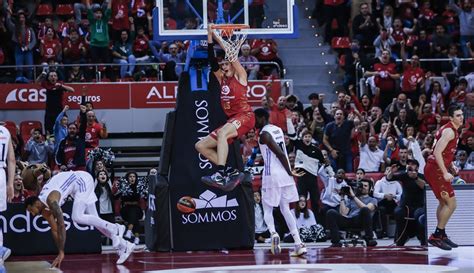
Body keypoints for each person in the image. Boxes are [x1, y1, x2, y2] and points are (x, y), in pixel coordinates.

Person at [25, 171, 134, 268]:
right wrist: (59, 251)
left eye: (31, 210)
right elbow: (54, 230)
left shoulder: (51, 200)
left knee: (76, 216)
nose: (32, 214)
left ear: (36, 203)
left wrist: (62, 252)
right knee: (96, 222)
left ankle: (115, 228)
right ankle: (125, 246)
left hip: (82, 180)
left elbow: (61, 225)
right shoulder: (44, 210)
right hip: (76, 187)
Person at [195, 24, 255, 191]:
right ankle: (230, 172)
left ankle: (220, 173)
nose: (224, 65)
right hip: (233, 119)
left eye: (227, 63)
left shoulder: (241, 76)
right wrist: (209, 37)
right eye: (223, 64)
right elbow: (211, 60)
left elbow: (230, 53)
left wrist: (216, 36)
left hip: (245, 116)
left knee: (222, 133)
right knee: (200, 146)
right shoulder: (222, 79)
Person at [254, 108, 307, 257]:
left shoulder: (264, 134)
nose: (254, 122)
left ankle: (273, 233)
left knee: (267, 208)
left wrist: (290, 171)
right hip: (285, 174)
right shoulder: (277, 129)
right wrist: (289, 171)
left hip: (272, 174)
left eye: (255, 118)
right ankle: (298, 244)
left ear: (262, 118)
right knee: (285, 208)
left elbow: (279, 152)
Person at [424, 105, 464, 250]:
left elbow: (445, 152)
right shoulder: (449, 132)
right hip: (436, 170)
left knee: (443, 202)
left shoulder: (452, 130)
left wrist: (451, 165)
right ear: (451, 118)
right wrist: (445, 172)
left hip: (434, 168)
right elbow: (437, 152)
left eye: (462, 115)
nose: (461, 117)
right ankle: (436, 235)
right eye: (458, 115)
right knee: (451, 204)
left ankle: (441, 235)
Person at [0, 125, 15, 262]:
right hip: (1, 175)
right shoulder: (5, 131)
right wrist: (10, 183)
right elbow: (11, 160)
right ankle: (0, 250)